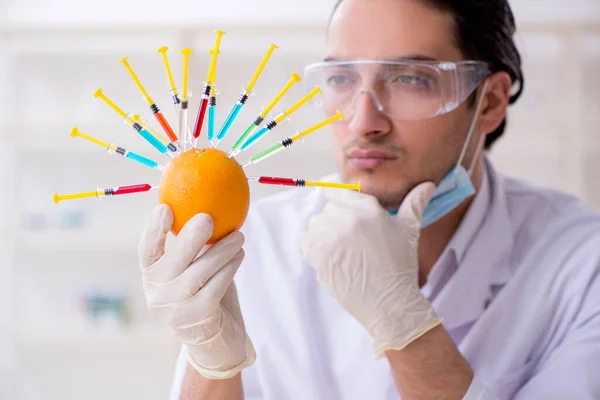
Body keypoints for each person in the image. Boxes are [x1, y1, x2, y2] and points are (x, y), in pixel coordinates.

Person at [138, 0, 600, 399]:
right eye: (341, 78)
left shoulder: (581, 266)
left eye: (411, 80)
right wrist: (210, 363)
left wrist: (404, 326)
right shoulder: (260, 245)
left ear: (491, 102)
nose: (363, 122)